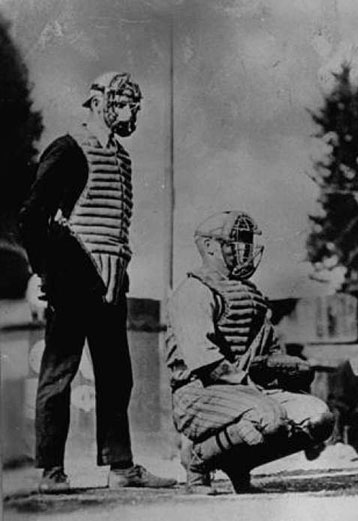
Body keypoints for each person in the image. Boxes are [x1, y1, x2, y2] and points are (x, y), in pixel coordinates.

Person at [19, 72, 176, 493]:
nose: (131, 110)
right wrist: (42, 270)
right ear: (99, 101)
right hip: (74, 274)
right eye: (123, 100)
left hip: (111, 279)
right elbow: (32, 216)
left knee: (116, 373)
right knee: (59, 372)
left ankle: (120, 466)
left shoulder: (121, 157)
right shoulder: (70, 149)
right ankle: (49, 470)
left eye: (134, 103)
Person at [165, 211, 334, 493]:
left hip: (244, 391)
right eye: (233, 242)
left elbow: (267, 353)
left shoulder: (251, 295)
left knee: (319, 418)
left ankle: (237, 465)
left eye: (246, 242)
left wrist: (285, 368)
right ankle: (197, 464)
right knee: (269, 417)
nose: (243, 249)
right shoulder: (193, 291)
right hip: (197, 393)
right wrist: (252, 386)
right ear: (209, 246)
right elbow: (207, 364)